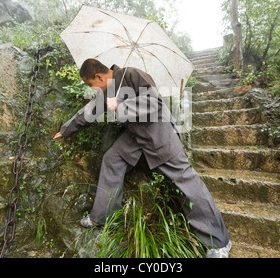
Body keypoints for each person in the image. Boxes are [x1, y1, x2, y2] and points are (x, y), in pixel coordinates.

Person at [53, 58, 231, 258]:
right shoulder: (107, 90)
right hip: (135, 136)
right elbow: (90, 110)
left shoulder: (132, 74)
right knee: (112, 159)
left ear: (98, 76)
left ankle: (219, 242)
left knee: (186, 182)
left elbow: (154, 101)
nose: (92, 88)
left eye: (90, 84)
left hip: (158, 132)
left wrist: (120, 104)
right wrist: (66, 130)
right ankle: (103, 216)